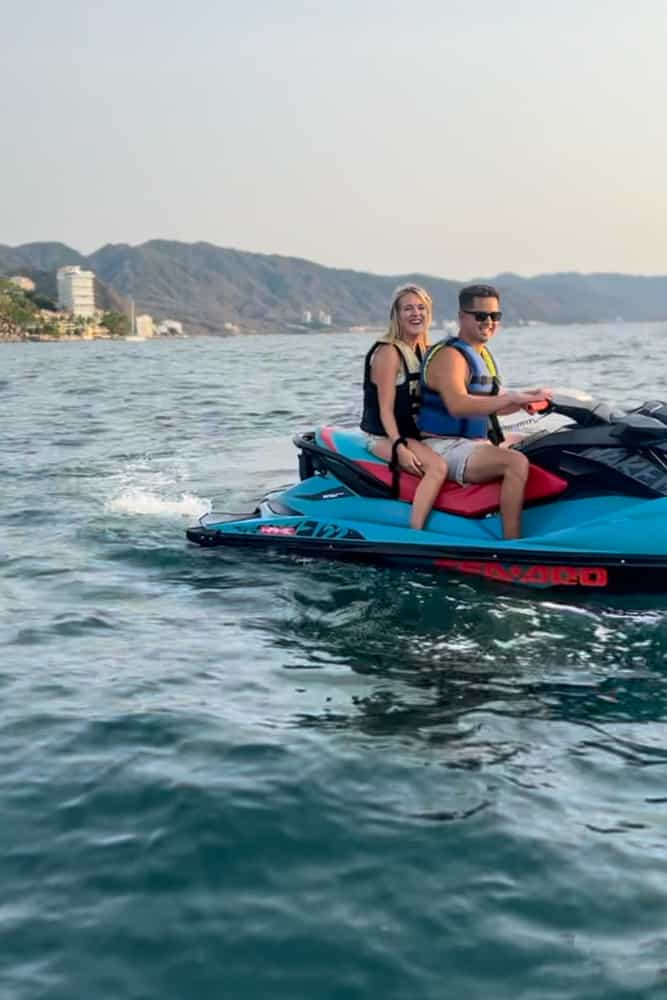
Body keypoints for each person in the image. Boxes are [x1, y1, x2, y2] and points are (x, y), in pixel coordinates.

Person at [419, 283, 551, 539]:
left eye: (494, 316)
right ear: (462, 317)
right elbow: (458, 405)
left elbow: (489, 407)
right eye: (481, 316)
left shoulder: (482, 355)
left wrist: (528, 398)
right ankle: (512, 542)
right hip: (444, 446)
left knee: (543, 443)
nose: (488, 322)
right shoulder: (451, 356)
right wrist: (511, 398)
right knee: (515, 463)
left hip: (474, 442)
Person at [360, 284, 448, 530]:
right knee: (437, 467)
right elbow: (385, 410)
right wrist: (399, 447)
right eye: (408, 308)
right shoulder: (389, 353)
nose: (415, 313)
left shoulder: (424, 351)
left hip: (413, 433)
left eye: (421, 308)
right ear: (396, 315)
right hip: (383, 435)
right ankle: (416, 531)